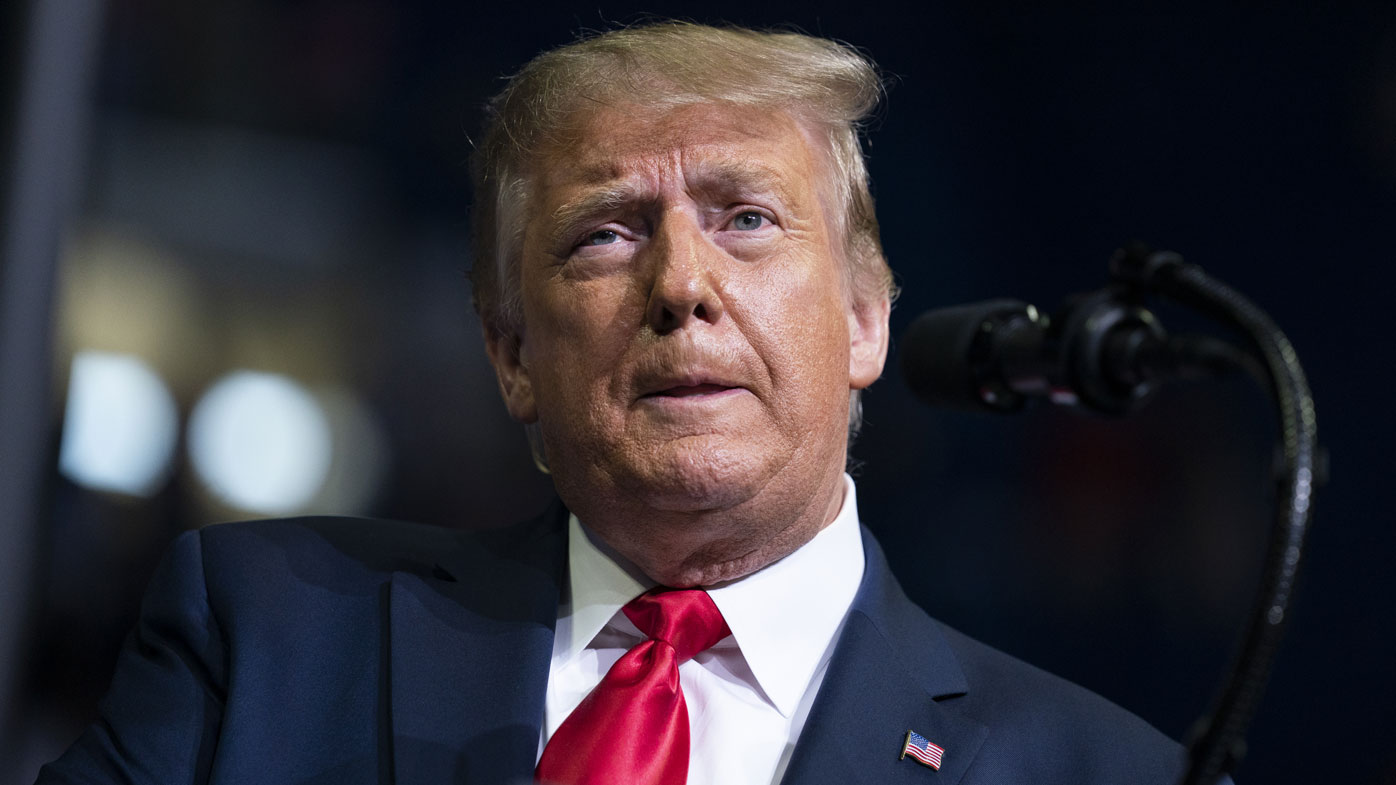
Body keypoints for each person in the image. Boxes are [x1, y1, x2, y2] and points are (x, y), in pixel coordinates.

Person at [38, 21, 1222, 785]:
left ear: (865, 317)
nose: (682, 287)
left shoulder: (1103, 769)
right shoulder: (265, 636)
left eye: (746, 218)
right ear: (510, 351)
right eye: (605, 234)